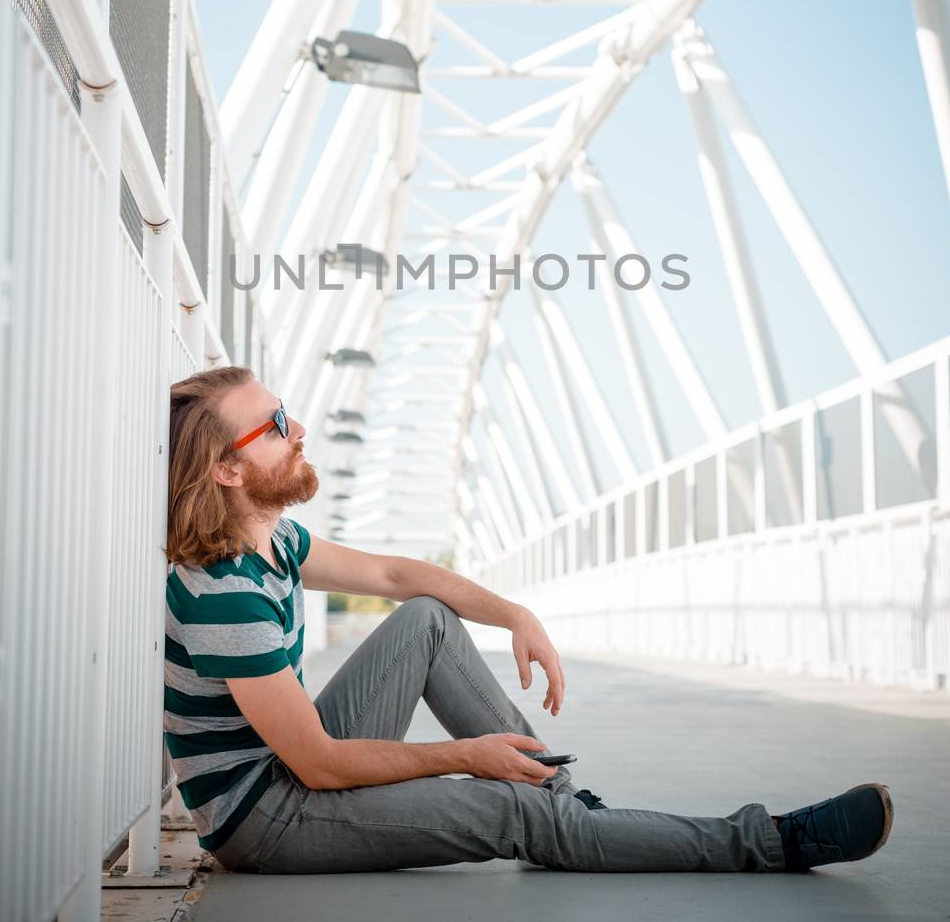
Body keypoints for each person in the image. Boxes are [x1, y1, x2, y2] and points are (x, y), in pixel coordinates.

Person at [164, 366, 894, 877]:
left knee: (427, 619)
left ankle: (567, 806)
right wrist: (466, 755)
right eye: (276, 425)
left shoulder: (275, 541)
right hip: (267, 821)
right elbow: (318, 766)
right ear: (227, 470)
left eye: (288, 414)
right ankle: (772, 842)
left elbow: (395, 577)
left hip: (291, 778)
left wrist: (515, 613)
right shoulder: (224, 592)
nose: (299, 431)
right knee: (516, 814)